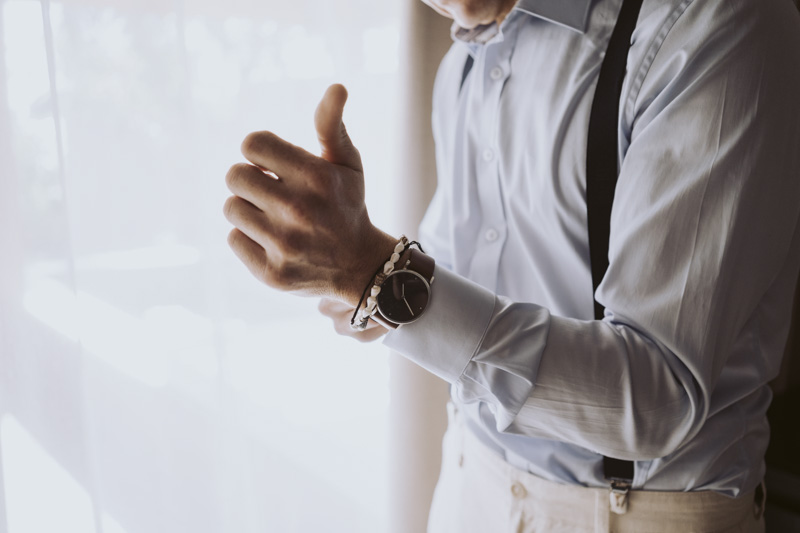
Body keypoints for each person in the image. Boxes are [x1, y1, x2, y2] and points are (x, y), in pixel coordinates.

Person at [222, 0, 800, 531]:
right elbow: (463, 288)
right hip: (468, 480)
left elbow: (656, 395)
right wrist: (350, 276)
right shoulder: (464, 64)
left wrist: (376, 273)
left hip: (640, 511)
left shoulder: (717, 25)